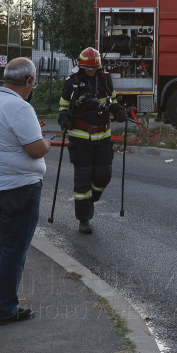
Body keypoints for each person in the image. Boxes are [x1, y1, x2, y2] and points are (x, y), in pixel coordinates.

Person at [0, 57, 53, 325]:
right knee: (14, 250)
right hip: (20, 188)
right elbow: (35, 150)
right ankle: (5, 309)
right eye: (33, 83)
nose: (32, 88)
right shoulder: (20, 107)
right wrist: (46, 142)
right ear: (28, 81)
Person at [57, 47, 127, 234]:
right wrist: (64, 120)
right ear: (81, 66)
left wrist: (118, 110)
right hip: (80, 138)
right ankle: (84, 219)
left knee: (104, 174)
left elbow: (111, 102)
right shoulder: (73, 83)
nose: (91, 70)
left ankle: (91, 200)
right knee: (83, 179)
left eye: (94, 67)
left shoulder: (104, 80)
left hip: (103, 137)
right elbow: (63, 107)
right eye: (88, 68)